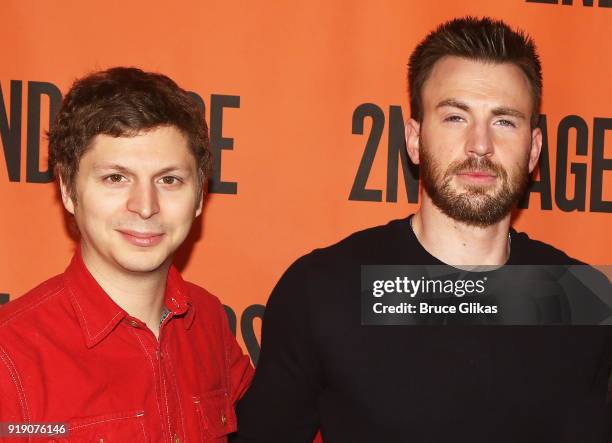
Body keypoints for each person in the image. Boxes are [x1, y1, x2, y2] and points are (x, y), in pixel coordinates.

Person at [233, 17, 612, 442]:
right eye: (455, 117)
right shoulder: (325, 289)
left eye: (504, 121)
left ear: (534, 149)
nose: (480, 145)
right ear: (414, 139)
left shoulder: (582, 298)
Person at [0, 67, 253, 442]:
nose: (146, 206)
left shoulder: (208, 321)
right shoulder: (10, 353)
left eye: (169, 180)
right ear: (68, 190)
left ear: (199, 196)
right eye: (116, 178)